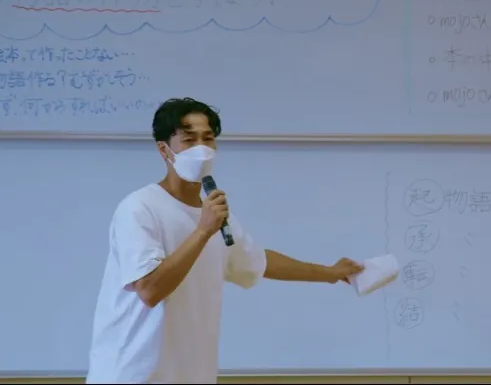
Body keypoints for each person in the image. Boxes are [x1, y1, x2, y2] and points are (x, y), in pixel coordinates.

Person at [86, 97, 363, 384]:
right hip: (133, 375)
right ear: (163, 149)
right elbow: (150, 290)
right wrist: (203, 231)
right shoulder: (140, 208)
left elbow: (260, 261)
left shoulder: (214, 215)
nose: (201, 149)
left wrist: (330, 273)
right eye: (189, 140)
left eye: (208, 139)